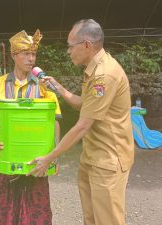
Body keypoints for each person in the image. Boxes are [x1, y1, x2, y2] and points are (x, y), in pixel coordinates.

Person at [30, 19, 134, 225]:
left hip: (108, 159)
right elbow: (86, 105)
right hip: (93, 156)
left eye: (70, 46)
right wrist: (59, 88)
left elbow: (83, 125)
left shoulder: (104, 75)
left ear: (86, 44)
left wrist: (50, 157)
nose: (68, 52)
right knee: (92, 219)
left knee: (108, 220)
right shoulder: (94, 70)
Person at [0, 29, 62, 225]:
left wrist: (55, 155)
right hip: (9, 153)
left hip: (37, 155)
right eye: (26, 54)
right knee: (9, 201)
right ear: (14, 56)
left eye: (33, 54)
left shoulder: (44, 86)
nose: (31, 59)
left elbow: (54, 120)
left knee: (38, 203)